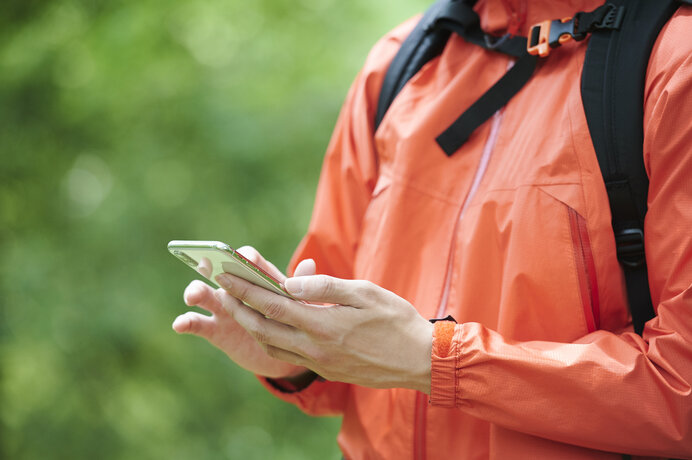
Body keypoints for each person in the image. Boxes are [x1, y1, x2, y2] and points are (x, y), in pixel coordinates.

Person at [172, 0, 692, 458]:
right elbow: (352, 358)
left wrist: (435, 360)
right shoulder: (400, 63)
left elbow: (681, 390)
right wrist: (291, 350)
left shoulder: (673, 65)